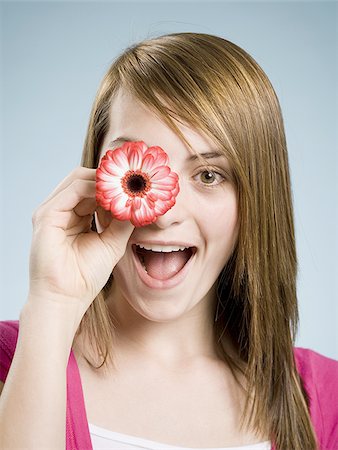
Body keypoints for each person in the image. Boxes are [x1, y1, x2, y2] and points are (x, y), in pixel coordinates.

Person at [0, 32, 337, 450]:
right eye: (137, 173)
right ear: (94, 177)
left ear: (256, 199)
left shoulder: (324, 399)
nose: (163, 212)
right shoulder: (14, 361)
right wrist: (52, 304)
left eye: (209, 175)